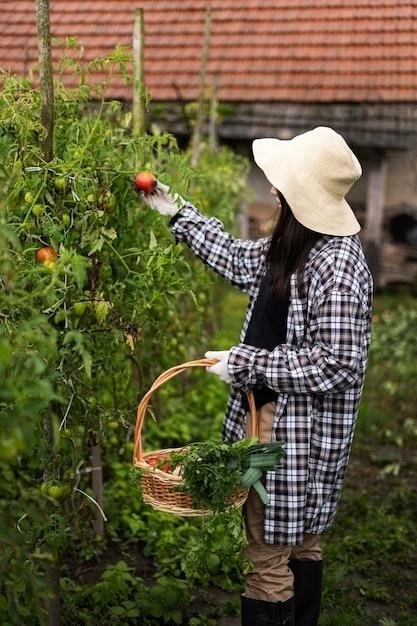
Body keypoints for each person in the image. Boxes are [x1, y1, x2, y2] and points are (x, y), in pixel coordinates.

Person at [138, 126, 373, 626]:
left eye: (282, 183)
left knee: (269, 555)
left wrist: (247, 363)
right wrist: (177, 212)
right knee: (301, 540)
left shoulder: (338, 266)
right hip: (278, 424)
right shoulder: (295, 246)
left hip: (293, 434)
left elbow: (339, 361)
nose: (271, 188)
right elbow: (236, 258)